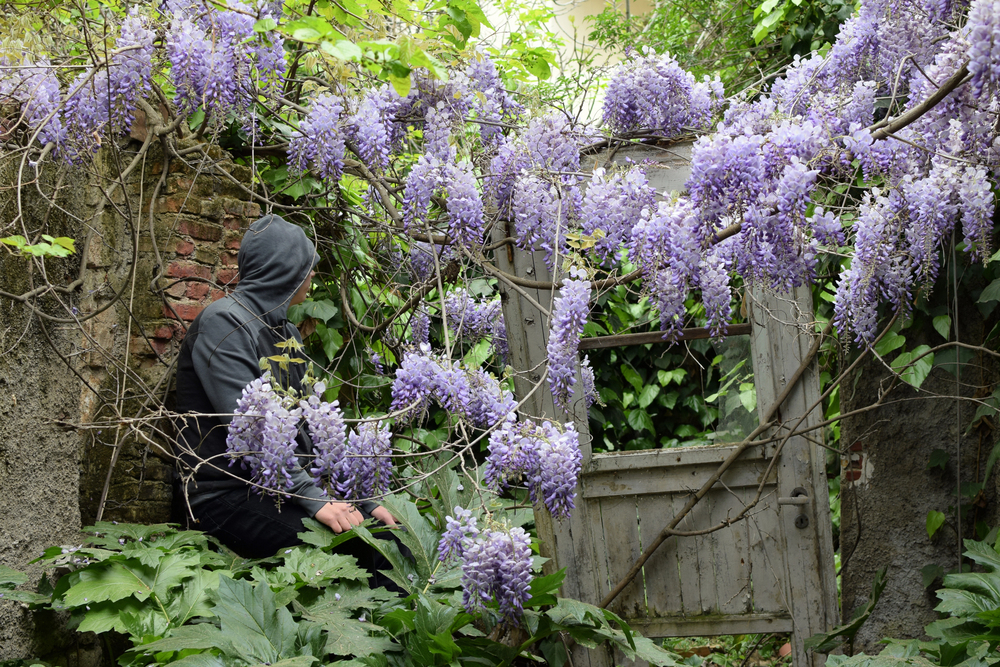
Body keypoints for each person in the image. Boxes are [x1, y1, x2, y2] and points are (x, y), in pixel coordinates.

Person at [174, 214, 397, 567]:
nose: (311, 276)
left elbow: (313, 431)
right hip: (224, 496)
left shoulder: (285, 333)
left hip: (277, 490)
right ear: (283, 269)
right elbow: (255, 429)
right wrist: (313, 499)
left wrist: (362, 499)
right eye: (305, 267)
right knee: (360, 548)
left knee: (389, 537)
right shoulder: (224, 322)